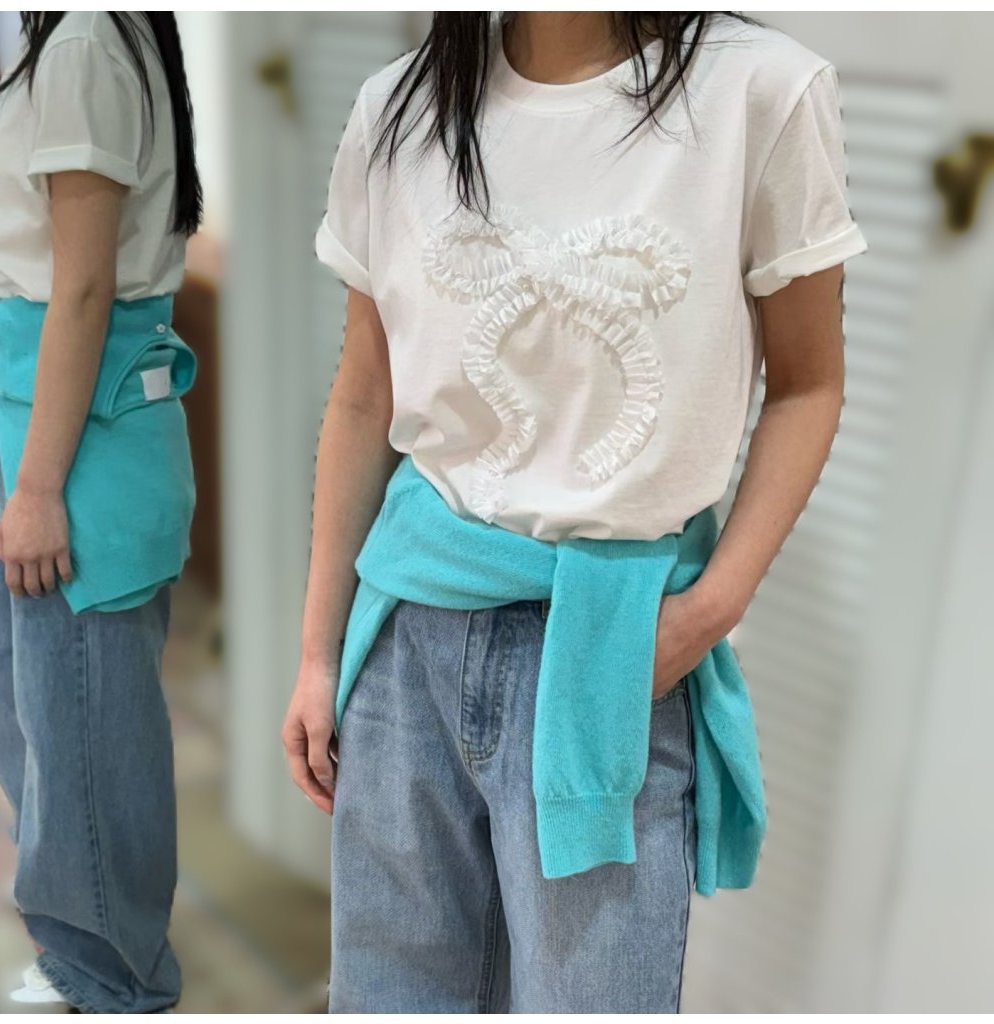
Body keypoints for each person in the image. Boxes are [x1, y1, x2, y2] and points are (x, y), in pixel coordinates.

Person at [283, 11, 867, 1014]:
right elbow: (365, 395)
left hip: (608, 647)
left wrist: (707, 610)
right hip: (407, 639)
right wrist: (317, 654)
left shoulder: (759, 92)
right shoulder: (396, 109)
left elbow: (808, 382)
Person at [0, 11, 201, 1013]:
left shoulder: (83, 43)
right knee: (24, 706)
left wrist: (36, 489)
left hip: (73, 433)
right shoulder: (54, 43)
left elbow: (83, 285)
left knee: (84, 725)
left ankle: (113, 978)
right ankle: (83, 955)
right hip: (15, 398)